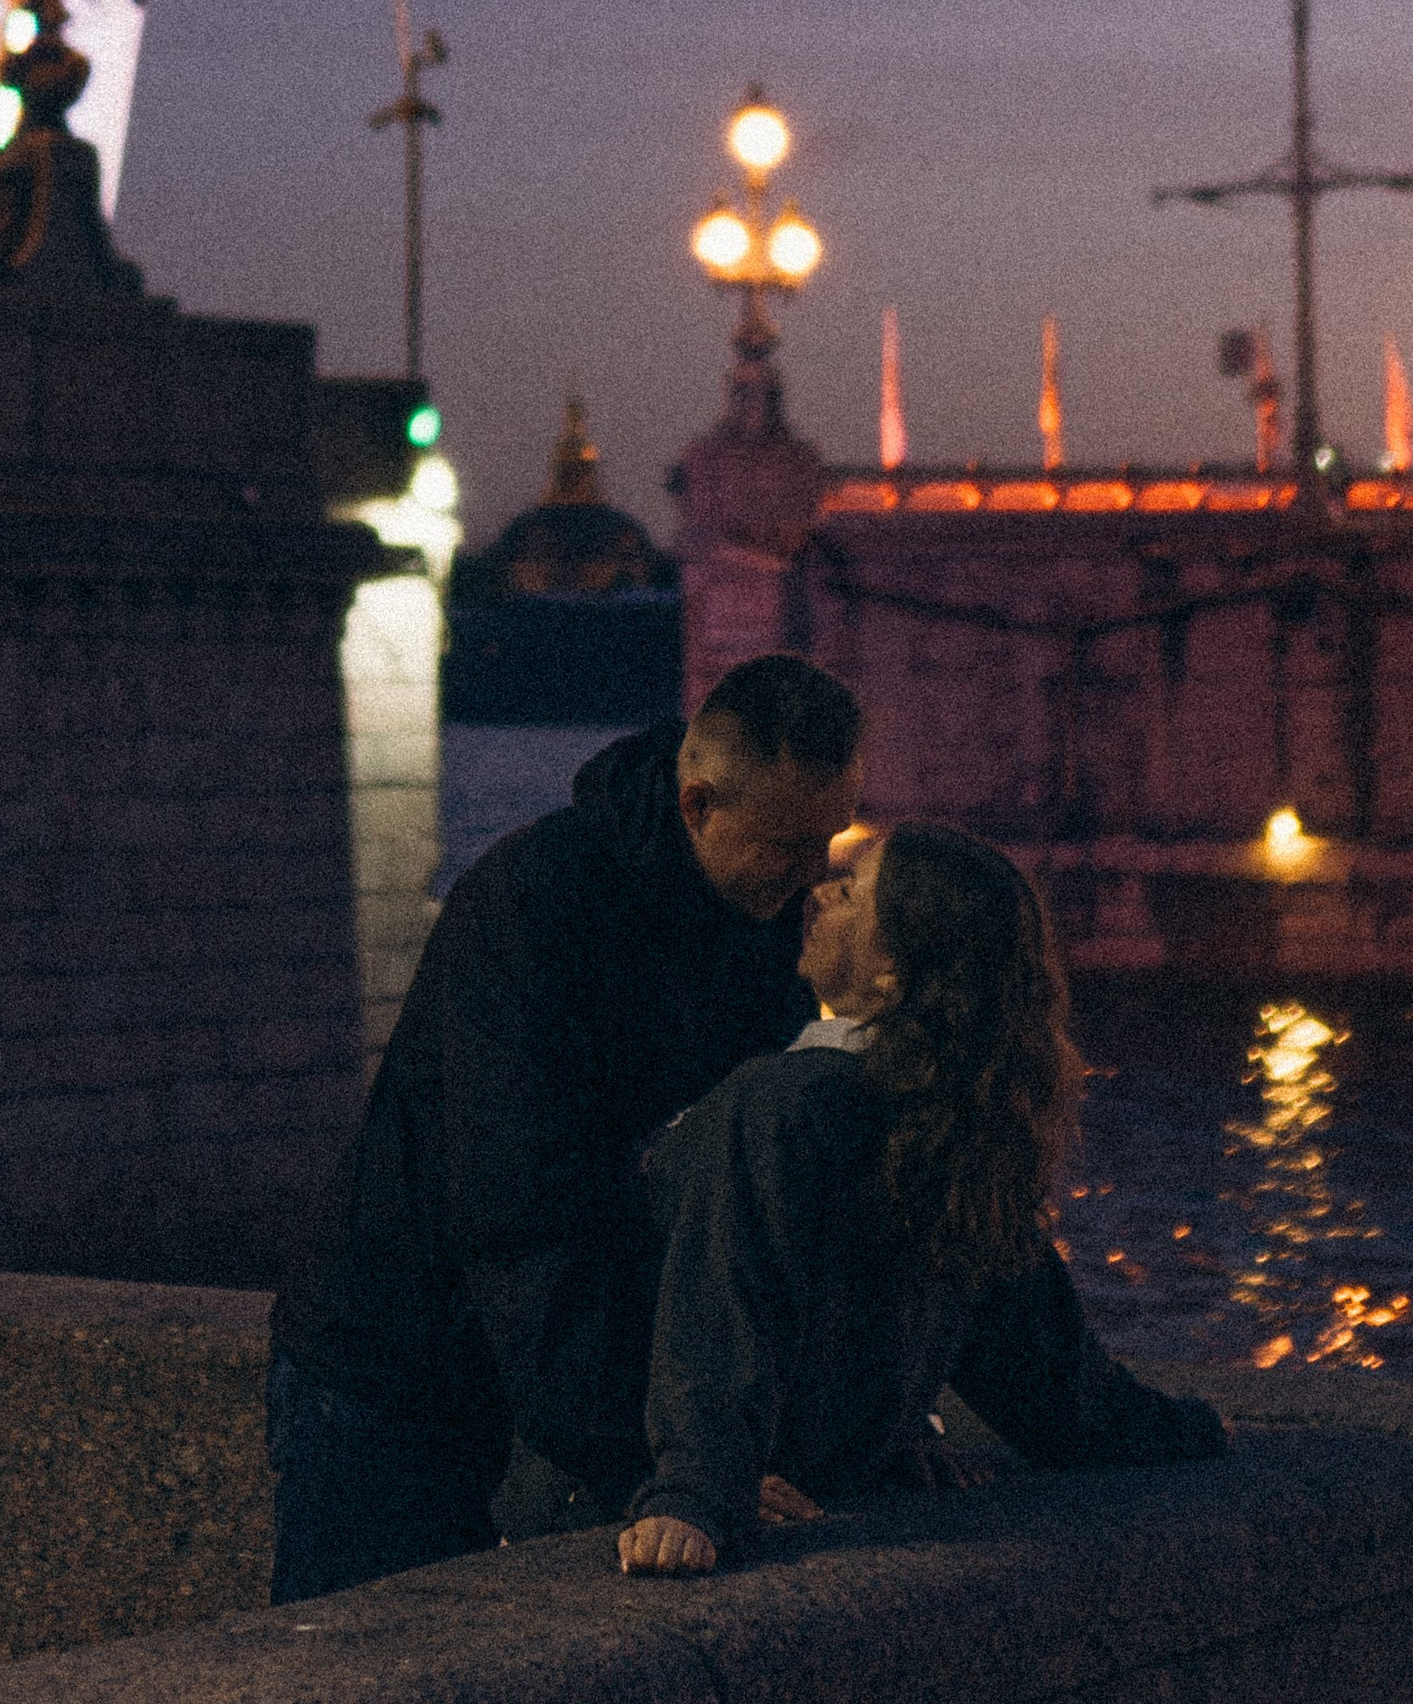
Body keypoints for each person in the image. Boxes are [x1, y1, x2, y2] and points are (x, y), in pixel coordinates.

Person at [268, 652, 864, 1603]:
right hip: (393, 1366)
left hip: (541, 1369)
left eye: (828, 841)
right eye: (789, 844)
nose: (811, 877)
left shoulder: (751, 915)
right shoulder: (535, 908)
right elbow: (523, 1218)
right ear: (696, 803)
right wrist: (663, 1466)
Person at [617, 821, 1227, 1571]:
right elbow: (1043, 1369)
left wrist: (697, 1493)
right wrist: (1179, 1431)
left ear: (894, 975)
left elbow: (725, 1296)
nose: (819, 894)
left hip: (622, 1479)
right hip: (815, 1479)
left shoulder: (782, 1103)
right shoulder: (948, 1123)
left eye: (851, 894)